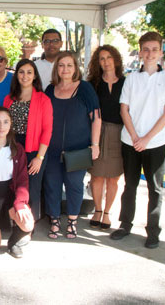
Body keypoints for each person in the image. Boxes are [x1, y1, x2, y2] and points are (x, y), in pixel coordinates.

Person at [110, 32, 165, 249]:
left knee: (154, 188)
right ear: (141, 51)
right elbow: (124, 109)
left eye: (154, 49)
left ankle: (153, 231)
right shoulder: (132, 78)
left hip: (156, 142)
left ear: (161, 52)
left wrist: (147, 138)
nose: (150, 53)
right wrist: (135, 137)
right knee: (130, 185)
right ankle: (125, 224)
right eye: (146, 49)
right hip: (131, 141)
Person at [44, 51, 101, 240]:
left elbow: (96, 118)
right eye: (61, 65)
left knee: (74, 186)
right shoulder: (50, 90)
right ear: (56, 68)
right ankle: (54, 220)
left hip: (77, 150)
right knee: (52, 185)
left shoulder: (84, 88)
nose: (65, 69)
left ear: (76, 68)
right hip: (51, 150)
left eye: (69, 65)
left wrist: (95, 144)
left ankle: (72, 221)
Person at [3, 59, 53, 221]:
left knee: (31, 188)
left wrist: (40, 158)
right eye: (21, 72)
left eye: (29, 72)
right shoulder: (9, 98)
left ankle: (28, 225)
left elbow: (47, 130)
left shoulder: (43, 99)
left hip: (34, 150)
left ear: (35, 76)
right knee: (12, 185)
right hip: (12, 147)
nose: (25, 76)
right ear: (16, 75)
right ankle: (14, 220)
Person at [0, 107, 34, 258]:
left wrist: (20, 203)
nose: (1, 126)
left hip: (9, 195)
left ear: (11, 124)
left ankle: (14, 243)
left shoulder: (17, 149)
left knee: (28, 223)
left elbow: (23, 180)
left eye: (5, 122)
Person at [86, 45, 125, 230]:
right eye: (101, 58)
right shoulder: (93, 84)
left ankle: (108, 212)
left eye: (109, 57)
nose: (106, 61)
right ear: (97, 62)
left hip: (119, 132)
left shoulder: (126, 82)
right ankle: (97, 210)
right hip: (97, 132)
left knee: (113, 178)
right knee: (97, 176)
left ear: (116, 59)